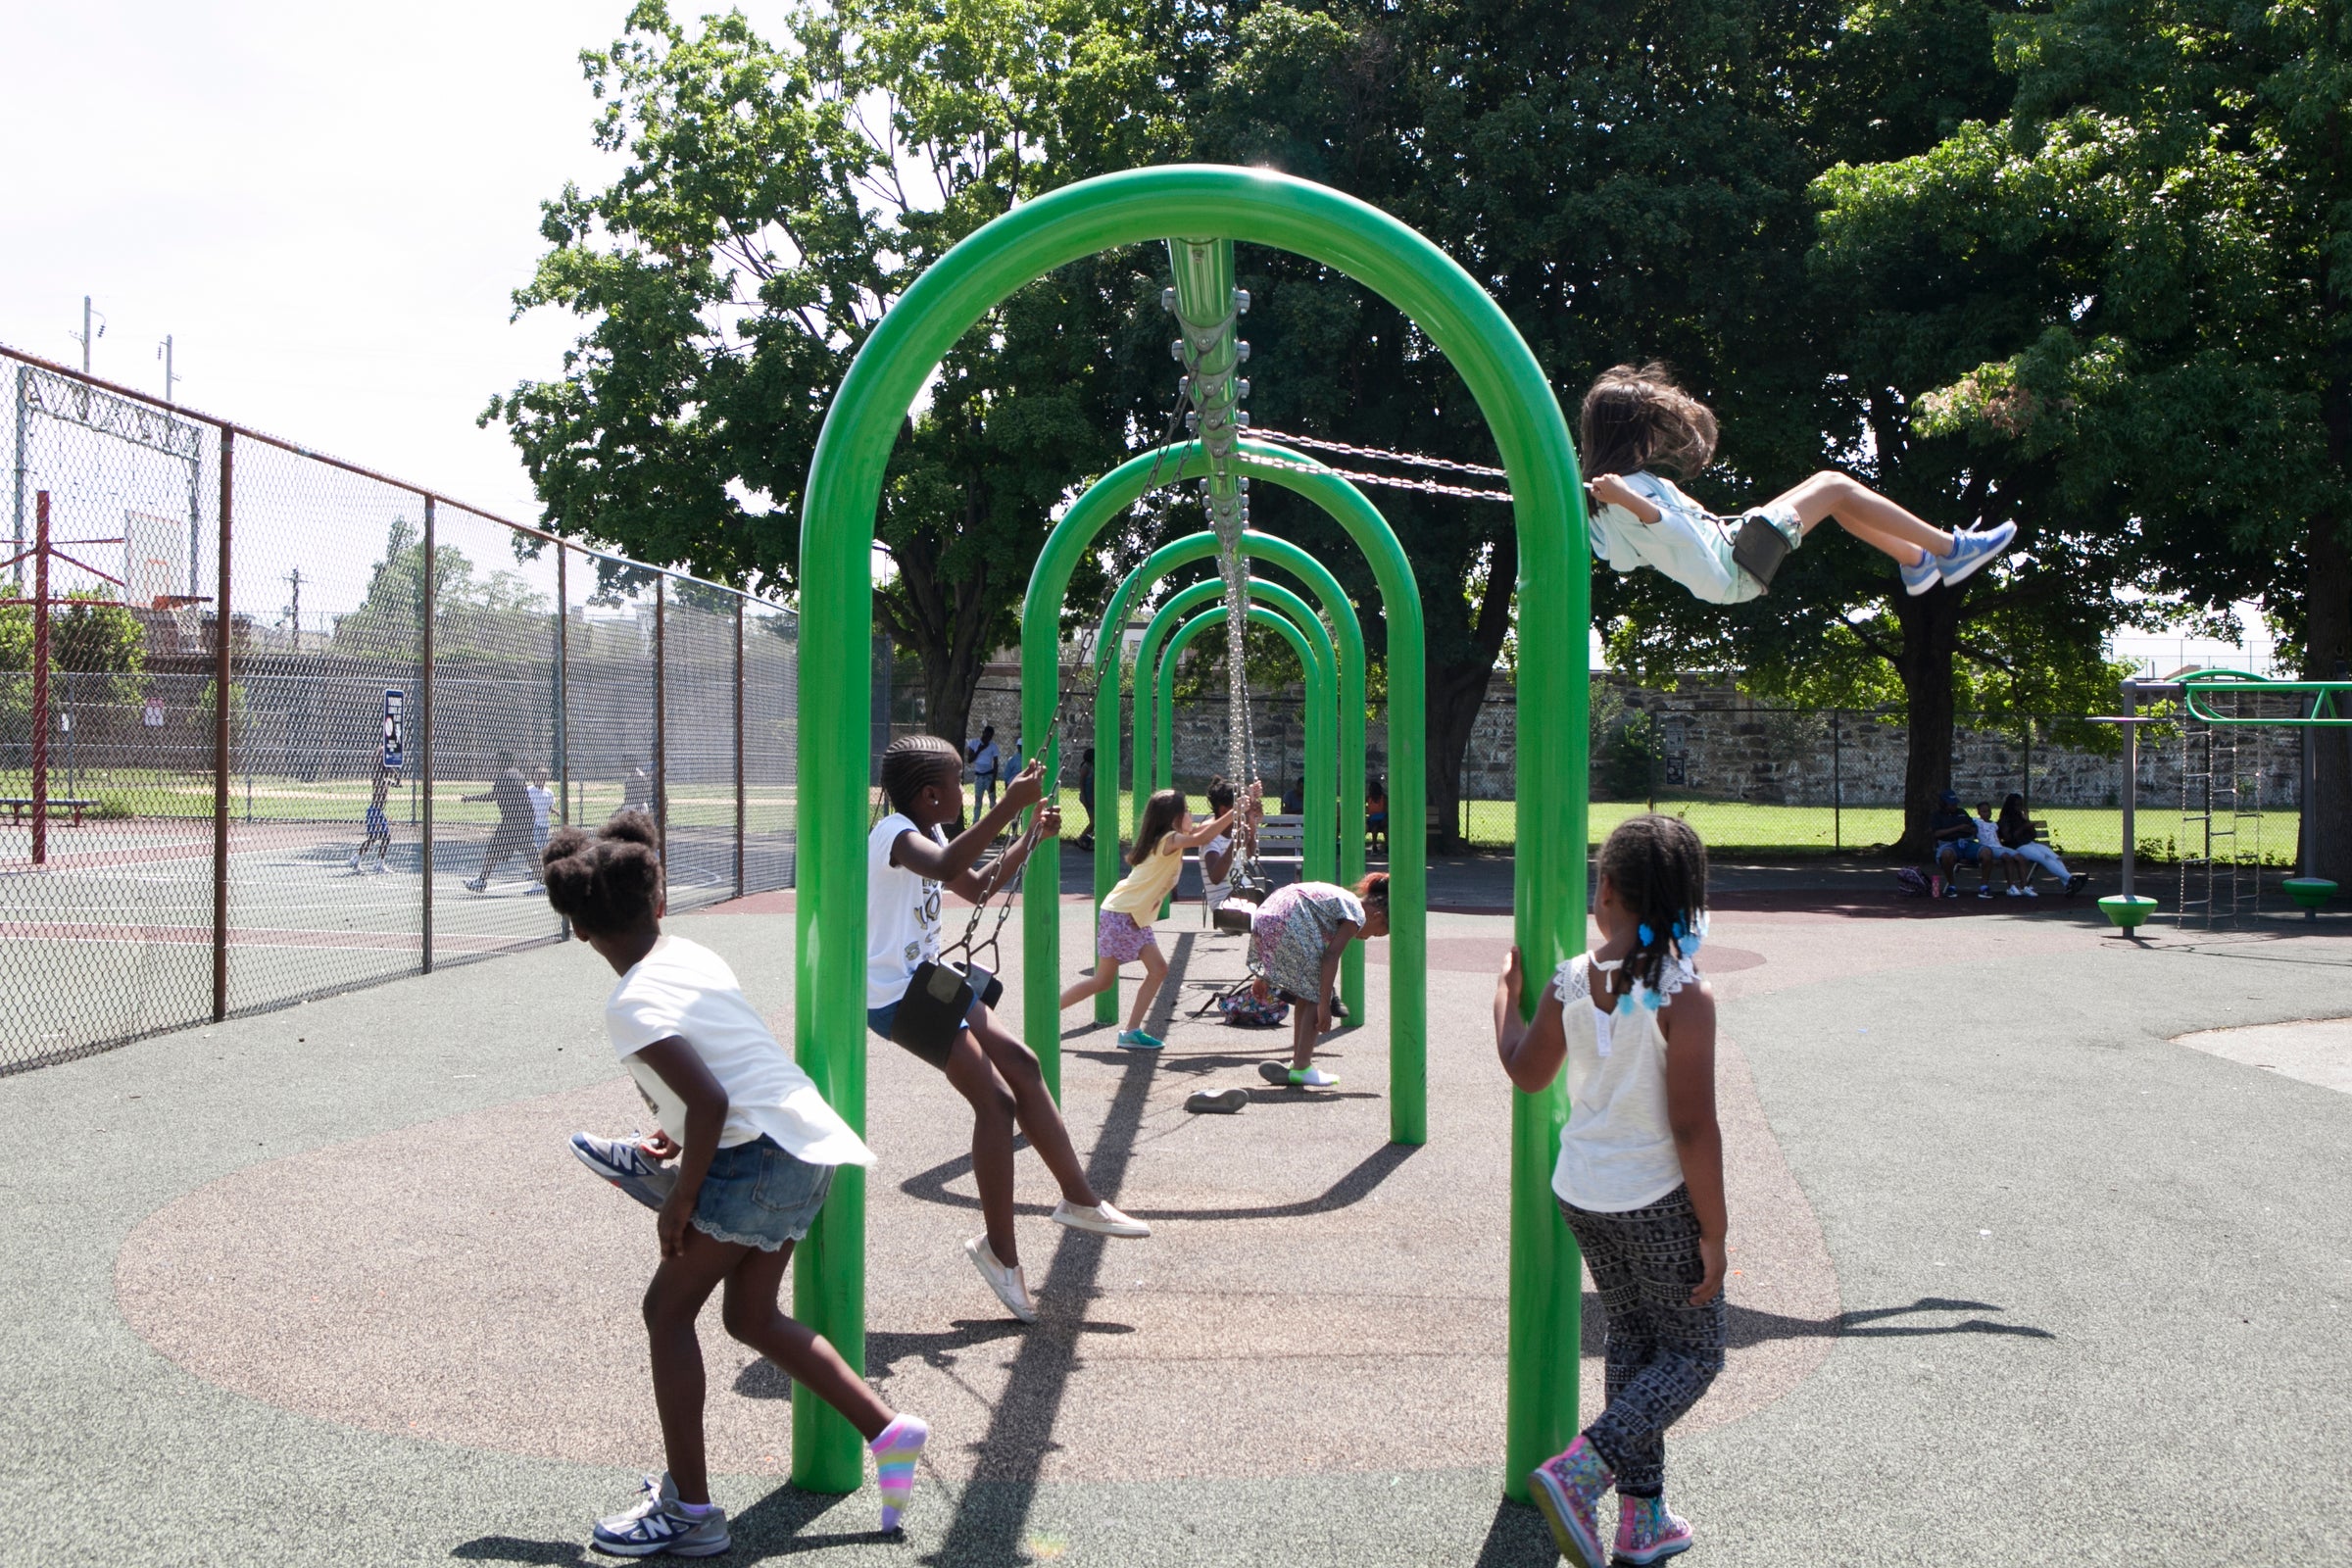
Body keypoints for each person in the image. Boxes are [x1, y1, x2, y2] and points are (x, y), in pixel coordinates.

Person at [544, 811, 928, 1551]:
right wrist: (681, 1138)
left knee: (666, 1312)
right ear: (657, 904)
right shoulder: (689, 953)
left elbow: (713, 1100)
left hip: (753, 1157)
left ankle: (690, 1513)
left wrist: (681, 1199)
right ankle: (888, 1429)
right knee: (749, 1316)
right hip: (803, 1140)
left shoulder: (629, 1004)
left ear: (580, 930)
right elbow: (722, 1072)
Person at [1494, 813, 1726, 1568]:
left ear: (1609, 890)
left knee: (1632, 1341)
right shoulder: (1685, 994)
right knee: (1694, 1355)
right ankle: (1581, 1470)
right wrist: (1715, 1233)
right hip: (1655, 1195)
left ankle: (1643, 1520)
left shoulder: (1570, 977)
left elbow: (1526, 1072)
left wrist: (1504, 997)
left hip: (1583, 1190)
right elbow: (1693, 1128)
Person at [871, 736, 1148, 1323]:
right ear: (928, 794)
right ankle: (1000, 1256)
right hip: (895, 996)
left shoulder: (933, 832)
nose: (965, 784)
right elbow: (946, 869)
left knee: (1022, 1063)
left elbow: (974, 886)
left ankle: (1080, 1199)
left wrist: (1029, 839)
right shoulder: (893, 835)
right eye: (955, 779)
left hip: (930, 980)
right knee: (995, 1103)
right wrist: (1010, 805)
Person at [1580, 363, 2016, 606]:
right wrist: (1628, 500)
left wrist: (1624, 497)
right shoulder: (1622, 494)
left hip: (1733, 550)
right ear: (1629, 432)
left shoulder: (1621, 490)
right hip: (1734, 568)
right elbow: (1663, 532)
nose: (1658, 436)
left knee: (1835, 497)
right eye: (1651, 426)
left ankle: (1916, 561)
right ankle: (1950, 550)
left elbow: (1619, 557)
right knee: (1835, 487)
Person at [1060, 785, 1250, 1051]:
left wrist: (1245, 804)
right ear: (1173, 817)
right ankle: (1051, 1012)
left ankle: (1131, 1031)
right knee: (1103, 981)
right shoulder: (1169, 840)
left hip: (1130, 915)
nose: (1191, 814)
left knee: (1157, 970)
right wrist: (1236, 811)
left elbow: (1204, 831)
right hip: (1123, 914)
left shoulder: (1171, 836)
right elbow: (1202, 836)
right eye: (1186, 810)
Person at [1247, 873, 1391, 1089]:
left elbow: (1282, 919)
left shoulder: (1344, 900)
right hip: (1290, 919)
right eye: (1377, 934)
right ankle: (1303, 1066)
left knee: (1307, 990)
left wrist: (1264, 975)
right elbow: (1331, 956)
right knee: (1316, 988)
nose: (1366, 938)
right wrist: (1325, 1004)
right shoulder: (1356, 915)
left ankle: (1298, 1062)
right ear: (1377, 916)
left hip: (1267, 915)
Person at [464, 752, 536, 894]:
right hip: (524, 819)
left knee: (494, 849)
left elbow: (494, 795)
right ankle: (543, 881)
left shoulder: (505, 776)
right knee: (528, 850)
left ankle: (481, 881)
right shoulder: (517, 773)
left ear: (501, 762)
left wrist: (471, 798)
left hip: (513, 821)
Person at [1998, 793, 2090, 896]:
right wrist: (2024, 827)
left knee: (2054, 856)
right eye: (2017, 805)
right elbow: (2009, 838)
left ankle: (2067, 884)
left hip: (2030, 843)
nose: (2019, 808)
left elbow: (2033, 836)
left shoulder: (2020, 817)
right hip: (2018, 847)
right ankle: (2070, 879)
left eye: (2021, 805)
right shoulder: (2005, 820)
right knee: (2044, 858)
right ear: (2010, 806)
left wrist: (2027, 822)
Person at [1199, 777, 1260, 923]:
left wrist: (1251, 819)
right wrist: (1235, 845)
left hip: (1243, 894)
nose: (1245, 812)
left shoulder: (1234, 832)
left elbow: (1250, 853)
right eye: (1243, 809)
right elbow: (1215, 877)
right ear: (1224, 811)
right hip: (1225, 902)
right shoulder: (1212, 838)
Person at [347, 760, 397, 874]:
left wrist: (394, 771)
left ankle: (361, 859)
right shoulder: (378, 779)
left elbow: (399, 783)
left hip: (379, 812)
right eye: (387, 768)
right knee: (379, 837)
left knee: (379, 838)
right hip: (374, 812)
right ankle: (363, 860)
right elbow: (378, 770)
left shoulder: (386, 781)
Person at [1928, 789, 1980, 896]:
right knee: (1947, 855)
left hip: (1967, 843)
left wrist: (1970, 829)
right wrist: (1957, 828)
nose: (1954, 806)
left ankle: (1984, 887)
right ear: (1943, 804)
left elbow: (1973, 828)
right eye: (1950, 804)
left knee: (1987, 852)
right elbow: (1937, 834)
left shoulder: (1962, 812)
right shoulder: (1937, 816)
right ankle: (1951, 886)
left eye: (1955, 803)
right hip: (1948, 844)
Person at [1973, 801, 2032, 897]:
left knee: (2020, 858)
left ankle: (2024, 887)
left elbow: (1997, 838)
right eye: (1983, 812)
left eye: (1988, 811)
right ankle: (2011, 887)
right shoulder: (1976, 822)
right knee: (2007, 857)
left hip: (1999, 846)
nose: (1987, 814)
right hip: (1988, 848)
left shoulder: (1994, 824)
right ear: (1978, 813)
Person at [526, 766, 555, 893]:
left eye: (543, 777)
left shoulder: (548, 792)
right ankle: (536, 878)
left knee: (543, 850)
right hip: (533, 825)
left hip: (544, 825)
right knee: (535, 849)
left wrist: (557, 812)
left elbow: (549, 807)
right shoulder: (529, 791)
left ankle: (538, 874)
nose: (541, 779)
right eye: (539, 776)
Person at [967, 724, 1001, 816]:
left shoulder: (993, 746)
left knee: (992, 802)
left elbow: (995, 763)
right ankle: (976, 823)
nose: (987, 739)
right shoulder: (974, 743)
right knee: (978, 802)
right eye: (986, 736)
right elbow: (970, 760)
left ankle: (993, 824)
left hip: (989, 776)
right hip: (978, 776)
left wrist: (993, 780)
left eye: (990, 737)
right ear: (983, 733)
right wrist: (979, 750)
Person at [1074, 746, 1098, 850]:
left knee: (1096, 822)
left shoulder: (1093, 766)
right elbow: (1081, 783)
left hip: (1093, 796)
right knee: (1093, 822)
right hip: (1087, 797)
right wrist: (1084, 797)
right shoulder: (1086, 767)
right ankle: (1081, 839)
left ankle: (1087, 838)